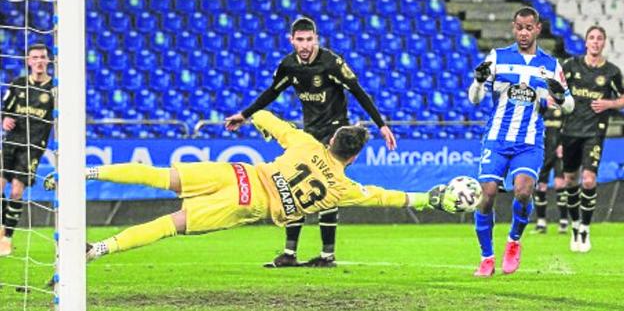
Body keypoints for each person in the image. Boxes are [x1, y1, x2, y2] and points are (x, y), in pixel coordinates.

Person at [85, 110, 456, 263]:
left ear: (331, 142)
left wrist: (248, 119)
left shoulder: (306, 143)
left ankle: (89, 173)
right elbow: (388, 198)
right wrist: (429, 199)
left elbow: (267, 117)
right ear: (354, 158)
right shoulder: (343, 188)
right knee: (171, 224)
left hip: (241, 174)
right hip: (249, 202)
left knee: (162, 176)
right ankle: (99, 248)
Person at [224, 17, 397, 268]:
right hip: (310, 134)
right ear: (291, 40)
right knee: (295, 190)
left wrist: (381, 124)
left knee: (328, 188)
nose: (305, 45)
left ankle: (327, 255)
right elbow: (272, 92)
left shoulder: (331, 62)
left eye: (309, 39)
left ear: (316, 39)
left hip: (335, 134)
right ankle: (289, 254)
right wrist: (245, 114)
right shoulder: (289, 66)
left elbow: (357, 90)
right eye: (300, 40)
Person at [468, 7, 574, 277]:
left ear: (538, 28)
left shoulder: (550, 65)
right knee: (487, 195)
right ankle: (486, 256)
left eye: (529, 28)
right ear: (513, 28)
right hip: (497, 139)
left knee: (524, 192)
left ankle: (514, 241)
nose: (523, 33)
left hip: (529, 142)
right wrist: (479, 82)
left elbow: (570, 105)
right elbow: (475, 99)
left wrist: (560, 96)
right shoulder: (498, 58)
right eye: (519, 27)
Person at [560, 25, 624, 253]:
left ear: (604, 43)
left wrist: (609, 103)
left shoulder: (612, 72)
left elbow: (623, 98)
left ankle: (585, 229)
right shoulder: (570, 66)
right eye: (592, 38)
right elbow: (556, 90)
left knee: (588, 180)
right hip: (569, 132)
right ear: (586, 42)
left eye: (599, 39)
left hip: (594, 133)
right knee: (570, 181)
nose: (595, 42)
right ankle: (575, 225)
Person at [1, 44, 55, 256]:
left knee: (15, 191)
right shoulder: (17, 84)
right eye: (35, 57)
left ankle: (6, 238)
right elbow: (5, 110)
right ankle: (1, 230)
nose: (39, 61)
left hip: (32, 147)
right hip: (11, 142)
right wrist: (5, 119)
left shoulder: (54, 90)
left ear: (48, 60)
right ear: (28, 61)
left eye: (43, 57)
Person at [532, 106, 568, 234]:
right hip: (543, 152)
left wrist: (564, 144)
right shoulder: (540, 108)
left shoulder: (563, 108)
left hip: (559, 153)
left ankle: (564, 221)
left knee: (560, 184)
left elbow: (569, 127)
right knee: (540, 186)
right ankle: (541, 223)